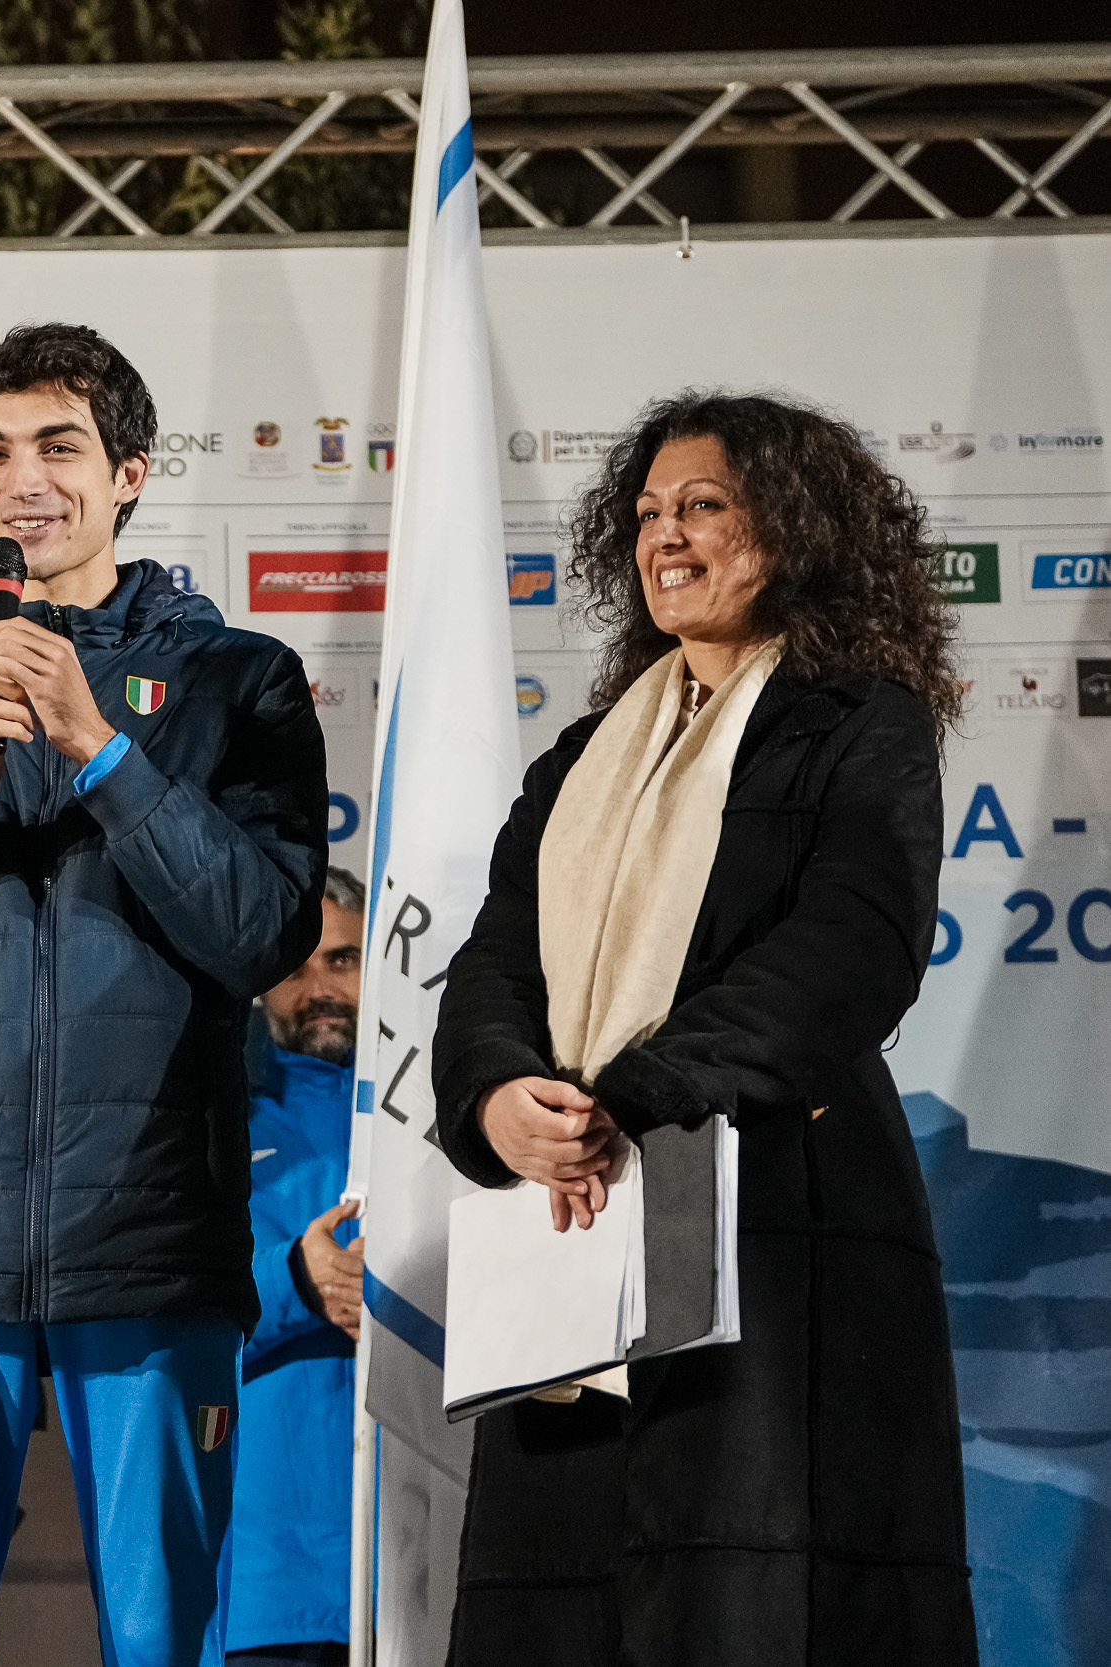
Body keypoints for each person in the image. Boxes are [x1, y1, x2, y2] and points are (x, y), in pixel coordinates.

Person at [0, 322, 329, 1667]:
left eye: (57, 446)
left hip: (146, 1236)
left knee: (162, 1637)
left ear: (130, 473)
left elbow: (261, 935)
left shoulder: (240, 682)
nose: (22, 478)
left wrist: (99, 750)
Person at [429, 391, 976, 1664]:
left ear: (788, 529)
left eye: (703, 505)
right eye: (645, 513)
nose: (663, 535)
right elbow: (496, 958)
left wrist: (635, 1089)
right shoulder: (582, 757)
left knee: (748, 1600)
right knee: (563, 1600)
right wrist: (499, 1096)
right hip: (571, 1215)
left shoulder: (861, 722)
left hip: (773, 1217)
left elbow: (850, 951)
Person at [226, 868, 366, 1667]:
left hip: (425, 1552)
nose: (318, 989)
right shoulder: (215, 1118)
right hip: (268, 1579)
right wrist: (295, 1279)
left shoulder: (453, 1121)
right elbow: (164, 1308)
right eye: (293, 967)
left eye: (342, 960)